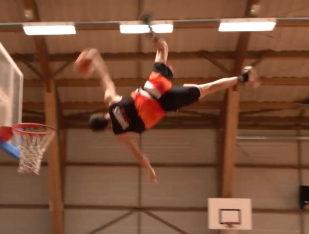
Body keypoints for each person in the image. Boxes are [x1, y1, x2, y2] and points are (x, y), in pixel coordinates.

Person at [74, 40, 260, 184]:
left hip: (165, 103)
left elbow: (138, 154)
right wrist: (92, 56)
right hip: (153, 88)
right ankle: (154, 36)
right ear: (100, 115)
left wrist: (149, 169)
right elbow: (105, 76)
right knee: (162, 49)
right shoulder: (111, 101)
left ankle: (243, 78)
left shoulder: (120, 134)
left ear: (104, 130)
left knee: (208, 88)